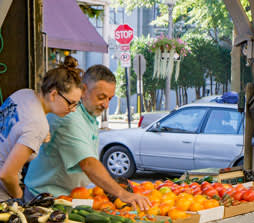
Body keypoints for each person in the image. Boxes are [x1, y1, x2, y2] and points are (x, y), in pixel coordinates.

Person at [24, 64, 151, 211]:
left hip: (70, 195)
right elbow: (88, 164)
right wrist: (123, 194)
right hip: (46, 197)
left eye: (110, 98)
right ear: (83, 90)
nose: (106, 105)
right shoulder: (69, 117)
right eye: (101, 97)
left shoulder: (87, 114)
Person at [0, 56, 83, 201]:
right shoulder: (38, 124)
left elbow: (14, 127)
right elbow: (7, 175)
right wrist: (20, 198)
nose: (73, 109)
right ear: (54, 94)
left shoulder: (24, 94)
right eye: (71, 103)